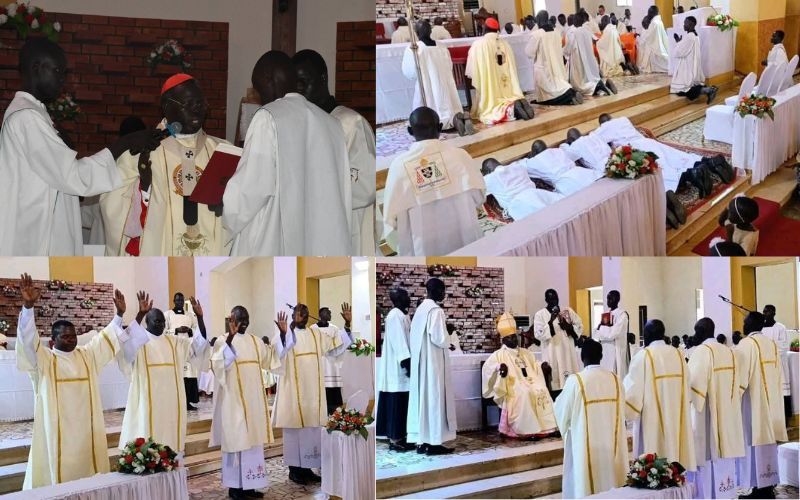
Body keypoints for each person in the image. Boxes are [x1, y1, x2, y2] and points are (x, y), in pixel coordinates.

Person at [0, 38, 161, 256]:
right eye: (58, 71)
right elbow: (72, 176)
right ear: (36, 68)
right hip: (35, 241)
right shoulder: (27, 118)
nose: (62, 80)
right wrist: (125, 143)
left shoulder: (34, 113)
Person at [222, 51, 351, 256]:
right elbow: (342, 190)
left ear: (268, 79)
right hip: (322, 243)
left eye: (258, 88)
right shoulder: (332, 123)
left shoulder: (268, 117)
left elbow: (251, 189)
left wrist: (224, 210)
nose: (259, 96)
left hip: (273, 243)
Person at [15, 273, 126, 488]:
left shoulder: (86, 355)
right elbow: (28, 342)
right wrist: (28, 307)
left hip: (86, 431)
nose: (71, 340)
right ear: (52, 340)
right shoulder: (45, 359)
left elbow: (105, 338)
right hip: (56, 432)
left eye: (73, 336)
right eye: (65, 336)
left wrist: (119, 314)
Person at [101, 74, 231, 256]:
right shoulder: (141, 151)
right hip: (160, 259)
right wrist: (143, 192)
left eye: (201, 105)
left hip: (210, 261)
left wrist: (231, 202)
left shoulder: (223, 151)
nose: (197, 111)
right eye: (189, 104)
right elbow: (112, 202)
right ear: (167, 107)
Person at [292, 49, 377, 255]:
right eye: (295, 84)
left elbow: (366, 186)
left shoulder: (350, 123)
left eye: (305, 81)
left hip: (346, 227)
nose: (300, 89)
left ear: (323, 78)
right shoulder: (298, 124)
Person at [382, 107, 486, 256]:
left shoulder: (399, 166)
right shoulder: (459, 156)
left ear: (410, 131)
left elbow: (391, 218)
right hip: (466, 240)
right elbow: (479, 195)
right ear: (440, 127)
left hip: (423, 249)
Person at [117, 292, 210, 459]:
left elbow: (199, 345)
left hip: (171, 405)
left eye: (162, 321)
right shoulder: (140, 342)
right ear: (147, 322)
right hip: (147, 403)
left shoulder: (174, 343)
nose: (160, 324)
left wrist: (200, 318)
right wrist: (140, 314)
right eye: (156, 321)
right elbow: (125, 343)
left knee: (170, 443)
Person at [273, 304, 351, 484]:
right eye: (299, 314)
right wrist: (285, 333)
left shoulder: (315, 335)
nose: (303, 316)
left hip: (313, 393)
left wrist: (346, 325)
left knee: (310, 432)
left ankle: (307, 469)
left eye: (306, 313)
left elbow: (335, 347)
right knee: (295, 432)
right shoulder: (284, 335)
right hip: (293, 392)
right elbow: (277, 354)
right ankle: (295, 471)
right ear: (293, 316)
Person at [210, 306, 280, 499]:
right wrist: (231, 339)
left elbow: (271, 359)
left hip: (254, 402)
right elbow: (217, 365)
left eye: (247, 318)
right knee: (237, 442)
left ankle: (250, 485)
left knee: (253, 445)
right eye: (241, 319)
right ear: (232, 319)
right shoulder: (222, 340)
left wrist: (282, 335)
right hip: (234, 402)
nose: (245, 322)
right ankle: (235, 489)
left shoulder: (255, 341)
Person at [555, 338, 627, 497]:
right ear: (601, 356)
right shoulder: (615, 380)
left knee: (586, 484)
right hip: (610, 445)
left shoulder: (576, 381)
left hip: (585, 447)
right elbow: (623, 410)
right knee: (611, 479)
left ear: (582, 357)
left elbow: (561, 411)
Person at [624, 319, 697, 472]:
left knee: (653, 464)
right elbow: (688, 384)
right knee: (676, 456)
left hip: (652, 421)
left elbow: (632, 394)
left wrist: (623, 409)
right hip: (677, 417)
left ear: (648, 334)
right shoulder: (678, 354)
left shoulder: (643, 356)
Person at [687, 317, 745, 499]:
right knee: (725, 454)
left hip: (707, 415)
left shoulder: (702, 352)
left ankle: (708, 495)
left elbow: (694, 387)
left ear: (702, 332)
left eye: (697, 332)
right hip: (729, 413)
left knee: (708, 453)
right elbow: (740, 384)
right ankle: (726, 494)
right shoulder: (729, 352)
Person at [735, 312, 787, 499]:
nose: (743, 324)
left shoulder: (747, 344)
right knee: (768, 443)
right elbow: (779, 374)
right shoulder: (771, 344)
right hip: (771, 403)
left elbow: (740, 378)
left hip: (753, 404)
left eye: (745, 321)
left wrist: (733, 397)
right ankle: (768, 485)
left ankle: (759, 488)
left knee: (753, 443)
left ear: (751, 324)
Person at [483, 313, 557, 439]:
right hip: (512, 385)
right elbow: (488, 368)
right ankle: (526, 430)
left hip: (530, 381)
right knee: (524, 392)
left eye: (515, 336)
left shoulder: (525, 353)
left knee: (541, 389)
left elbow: (534, 365)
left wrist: (542, 366)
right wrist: (500, 369)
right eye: (511, 337)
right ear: (504, 340)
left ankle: (548, 427)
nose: (514, 339)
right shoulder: (499, 354)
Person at [407, 278, 457, 455]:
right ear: (435, 290)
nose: (444, 294)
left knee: (424, 401)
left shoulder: (420, 309)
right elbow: (438, 338)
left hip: (422, 363)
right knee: (435, 399)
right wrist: (448, 334)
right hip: (433, 363)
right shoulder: (435, 310)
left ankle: (422, 441)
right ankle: (435, 442)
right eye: (442, 290)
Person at [400, 21, 472, 135]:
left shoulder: (415, 48)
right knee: (449, 103)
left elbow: (410, 73)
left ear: (416, 32)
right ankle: (456, 118)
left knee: (429, 106)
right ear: (430, 31)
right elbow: (449, 65)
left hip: (427, 84)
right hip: (445, 83)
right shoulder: (441, 46)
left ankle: (439, 121)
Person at [465, 16, 535, 124]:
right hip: (509, 89)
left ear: (484, 28)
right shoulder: (505, 44)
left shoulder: (478, 45)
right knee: (510, 96)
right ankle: (516, 101)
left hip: (492, 89)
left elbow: (472, 72)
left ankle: (510, 109)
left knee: (491, 107)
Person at [376, 288, 415, 452]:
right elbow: (399, 342)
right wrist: (407, 363)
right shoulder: (394, 316)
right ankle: (395, 439)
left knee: (403, 404)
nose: (409, 298)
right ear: (398, 299)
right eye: (405, 295)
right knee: (396, 404)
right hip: (396, 368)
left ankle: (403, 436)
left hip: (402, 366)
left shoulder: (403, 315)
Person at [525, 11, 583, 106]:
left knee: (548, 97)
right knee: (559, 85)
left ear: (538, 20)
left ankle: (568, 97)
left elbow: (528, 53)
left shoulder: (537, 34)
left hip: (544, 69)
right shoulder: (556, 33)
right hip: (557, 68)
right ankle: (571, 93)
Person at [532, 289, 583, 397]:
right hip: (552, 354)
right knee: (555, 385)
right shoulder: (540, 315)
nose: (554, 301)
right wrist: (550, 321)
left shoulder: (567, 311)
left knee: (570, 387)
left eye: (556, 298)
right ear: (546, 300)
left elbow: (579, 326)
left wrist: (568, 327)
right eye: (551, 299)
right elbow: (538, 334)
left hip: (568, 354)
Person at [481, 158, 564, 221]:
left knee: (544, 220)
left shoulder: (489, 178)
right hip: (537, 193)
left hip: (520, 202)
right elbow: (526, 160)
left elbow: (476, 186)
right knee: (561, 209)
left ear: (488, 172)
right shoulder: (517, 166)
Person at [311, 304, 356, 414]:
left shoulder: (334, 329)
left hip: (332, 365)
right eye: (328, 312)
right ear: (321, 314)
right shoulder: (312, 329)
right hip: (318, 365)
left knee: (333, 392)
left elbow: (341, 343)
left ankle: (335, 413)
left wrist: (347, 323)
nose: (330, 314)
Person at [164, 292, 201, 411]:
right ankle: (177, 401)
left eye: (181, 300)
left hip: (189, 348)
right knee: (178, 375)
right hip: (175, 348)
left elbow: (196, 329)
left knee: (189, 375)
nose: (180, 302)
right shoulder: (168, 314)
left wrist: (190, 330)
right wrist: (176, 330)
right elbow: (164, 331)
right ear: (174, 301)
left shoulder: (190, 316)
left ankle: (188, 402)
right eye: (177, 300)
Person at [564, 12, 616, 97]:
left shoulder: (573, 32)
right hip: (588, 59)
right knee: (587, 79)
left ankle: (598, 85)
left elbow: (568, 48)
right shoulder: (586, 31)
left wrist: (563, 52)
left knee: (579, 85)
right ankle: (604, 86)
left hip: (577, 60)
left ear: (575, 21)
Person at [526, 140, 603, 196]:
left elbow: (521, 166)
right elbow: (571, 152)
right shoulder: (558, 151)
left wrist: (529, 157)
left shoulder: (534, 162)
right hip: (581, 172)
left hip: (567, 182)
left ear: (534, 153)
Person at [671, 17, 718, 104]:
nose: (684, 25)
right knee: (688, 86)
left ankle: (709, 90)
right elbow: (685, 48)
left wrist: (678, 43)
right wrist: (679, 42)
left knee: (683, 90)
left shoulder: (690, 37)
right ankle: (709, 89)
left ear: (692, 24)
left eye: (686, 23)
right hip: (691, 64)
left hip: (687, 66)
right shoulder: (694, 35)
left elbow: (679, 52)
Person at [761, 305, 792, 422]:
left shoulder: (780, 328)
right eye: (764, 311)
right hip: (765, 366)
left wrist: (767, 345)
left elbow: (784, 346)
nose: (765, 313)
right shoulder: (761, 329)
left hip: (779, 366)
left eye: (767, 311)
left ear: (774, 313)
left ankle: (784, 420)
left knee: (781, 391)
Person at [593, 290, 630, 379]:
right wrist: (601, 329)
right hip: (605, 350)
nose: (608, 300)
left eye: (611, 298)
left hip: (615, 349)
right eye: (607, 298)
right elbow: (596, 334)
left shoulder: (622, 315)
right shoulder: (606, 315)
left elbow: (614, 333)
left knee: (615, 376)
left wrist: (601, 328)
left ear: (617, 299)